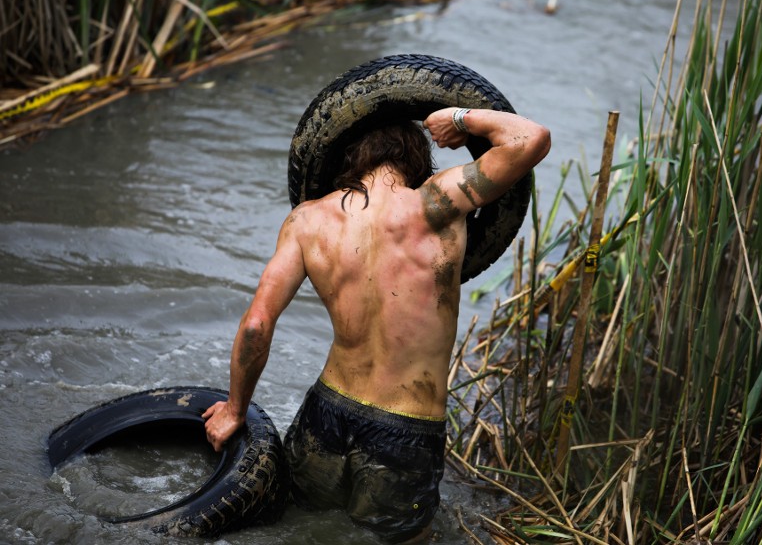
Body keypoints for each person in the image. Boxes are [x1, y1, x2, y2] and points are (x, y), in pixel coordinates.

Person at [202, 106, 550, 542]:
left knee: (300, 531)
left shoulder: (307, 221)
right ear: (416, 159)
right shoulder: (438, 203)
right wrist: (459, 120)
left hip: (324, 415)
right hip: (405, 428)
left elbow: (256, 324)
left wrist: (235, 410)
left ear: (349, 160)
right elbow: (530, 138)